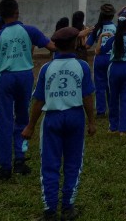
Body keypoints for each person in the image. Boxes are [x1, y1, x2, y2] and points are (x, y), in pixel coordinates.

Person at [21, 26, 94, 221]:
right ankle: (68, 207)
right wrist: (91, 122)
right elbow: (87, 97)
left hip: (52, 118)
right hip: (75, 116)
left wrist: (30, 126)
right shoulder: (82, 66)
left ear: (56, 45)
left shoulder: (46, 68)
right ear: (75, 43)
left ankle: (50, 210)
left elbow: (38, 101)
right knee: (73, 162)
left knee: (49, 164)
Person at [0, 0, 54, 179]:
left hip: (5, 77)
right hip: (25, 76)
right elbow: (52, 46)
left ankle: (5, 167)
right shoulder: (30, 30)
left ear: (0, 15)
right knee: (23, 117)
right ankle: (20, 160)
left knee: (4, 119)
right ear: (17, 12)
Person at [85, 4, 117, 117]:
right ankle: (112, 109)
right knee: (111, 85)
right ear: (112, 15)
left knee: (99, 86)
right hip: (112, 59)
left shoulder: (97, 28)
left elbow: (87, 45)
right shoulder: (116, 28)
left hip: (99, 58)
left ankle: (100, 111)